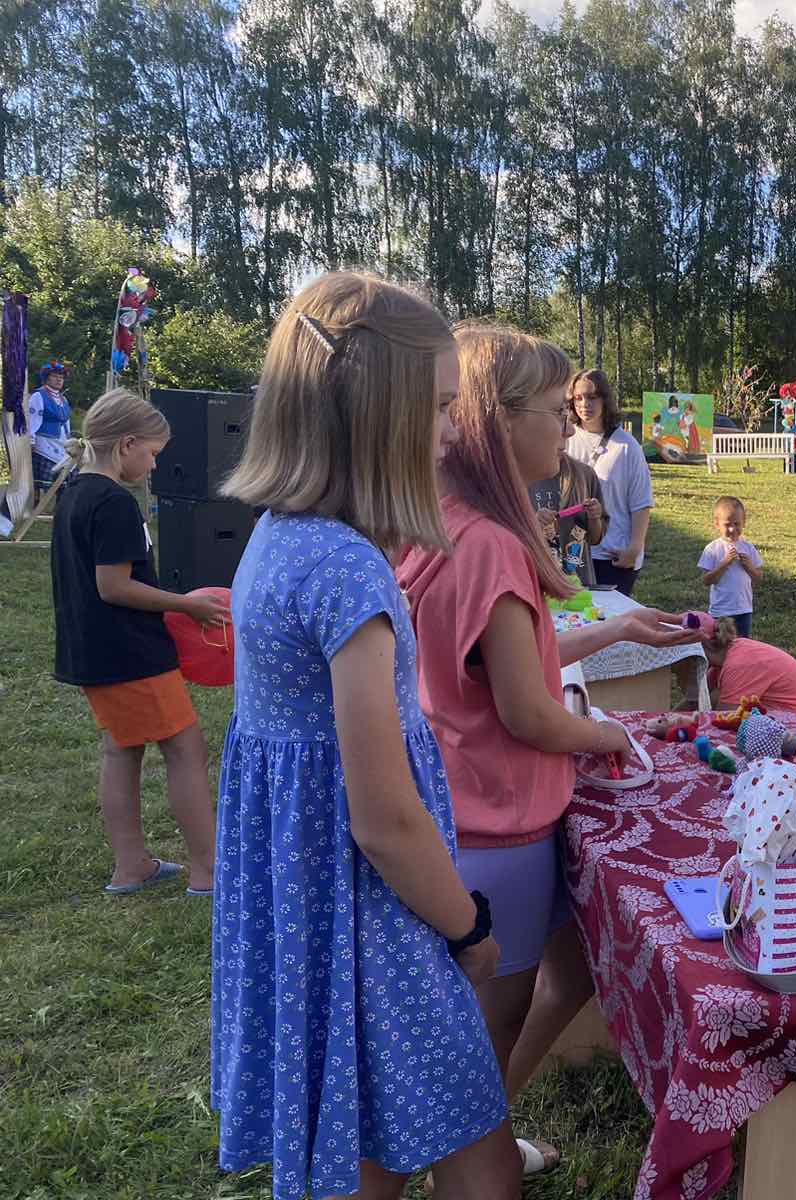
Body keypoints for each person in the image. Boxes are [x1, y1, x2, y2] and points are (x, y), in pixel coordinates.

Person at [212, 273, 521, 1200]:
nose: (447, 432)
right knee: (473, 1138)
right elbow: (384, 817)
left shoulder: (274, 537)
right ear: (374, 417)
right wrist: (467, 928)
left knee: (360, 1123)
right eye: (433, 408)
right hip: (376, 911)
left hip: (309, 910)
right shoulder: (352, 574)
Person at [397, 325, 701, 1178]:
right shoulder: (493, 544)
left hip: (459, 808)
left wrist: (613, 631)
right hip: (500, 828)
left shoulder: (440, 525)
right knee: (489, 1024)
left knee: (524, 1000)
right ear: (496, 423)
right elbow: (530, 714)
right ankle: (468, 1161)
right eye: (551, 412)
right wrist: (612, 735)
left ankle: (472, 1142)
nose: (567, 433)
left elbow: (493, 668)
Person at [50, 388, 226, 895]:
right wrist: (186, 604)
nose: (152, 466)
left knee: (122, 750)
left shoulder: (74, 493)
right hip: (131, 656)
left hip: (91, 651)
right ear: (126, 444)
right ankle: (208, 870)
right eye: (151, 454)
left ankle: (132, 867)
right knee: (185, 748)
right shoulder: (112, 503)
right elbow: (114, 586)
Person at [567, 369, 652, 594]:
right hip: (573, 553)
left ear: (605, 398)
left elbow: (641, 502)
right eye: (578, 397)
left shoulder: (626, 446)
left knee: (610, 623)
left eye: (592, 396)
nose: (585, 404)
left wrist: (634, 549)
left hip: (613, 556)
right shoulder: (564, 438)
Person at [701, 619, 796, 735]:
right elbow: (695, 702)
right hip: (793, 722)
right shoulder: (723, 661)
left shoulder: (739, 663)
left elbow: (724, 724)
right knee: (713, 699)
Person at [529, 400, 607, 586]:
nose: (570, 430)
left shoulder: (584, 475)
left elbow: (595, 539)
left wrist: (595, 518)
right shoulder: (522, 477)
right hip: (539, 585)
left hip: (580, 586)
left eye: (567, 420)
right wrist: (533, 522)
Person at [698, 495, 763, 638]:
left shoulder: (748, 548)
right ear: (717, 524)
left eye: (737, 524)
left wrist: (749, 567)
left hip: (744, 610)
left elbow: (758, 578)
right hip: (721, 612)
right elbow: (706, 580)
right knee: (721, 645)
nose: (733, 529)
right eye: (727, 524)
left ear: (744, 522)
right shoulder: (712, 549)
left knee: (742, 645)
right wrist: (724, 564)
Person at [28, 361, 72, 496]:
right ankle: (40, 507)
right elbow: (32, 420)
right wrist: (31, 441)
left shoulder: (63, 399)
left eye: (62, 377)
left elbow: (66, 423)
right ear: (47, 377)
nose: (59, 379)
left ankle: (60, 508)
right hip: (44, 444)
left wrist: (69, 441)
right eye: (55, 376)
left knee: (68, 475)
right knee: (44, 483)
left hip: (61, 443)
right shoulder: (38, 395)